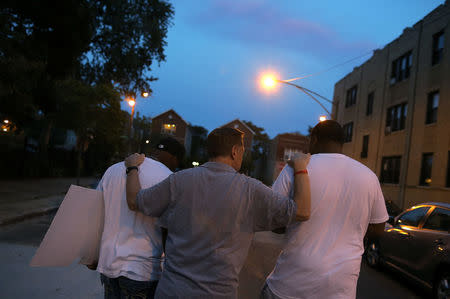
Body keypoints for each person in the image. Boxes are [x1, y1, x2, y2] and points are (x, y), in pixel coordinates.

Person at [124, 127, 311, 298]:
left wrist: (132, 167)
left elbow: (134, 201)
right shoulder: (250, 190)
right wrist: (300, 168)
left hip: (172, 291)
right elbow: (301, 211)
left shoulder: (179, 181)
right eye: (243, 150)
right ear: (235, 151)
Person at [262, 120, 388, 299]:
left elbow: (273, 220)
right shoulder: (369, 177)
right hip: (341, 290)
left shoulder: (296, 168)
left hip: (291, 285)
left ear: (313, 139)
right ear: (341, 143)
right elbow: (378, 229)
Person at [93, 137, 185, 299]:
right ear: (174, 157)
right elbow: (172, 229)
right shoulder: (170, 179)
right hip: (143, 270)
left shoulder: (113, 169)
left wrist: (92, 254)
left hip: (108, 264)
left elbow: (95, 214)